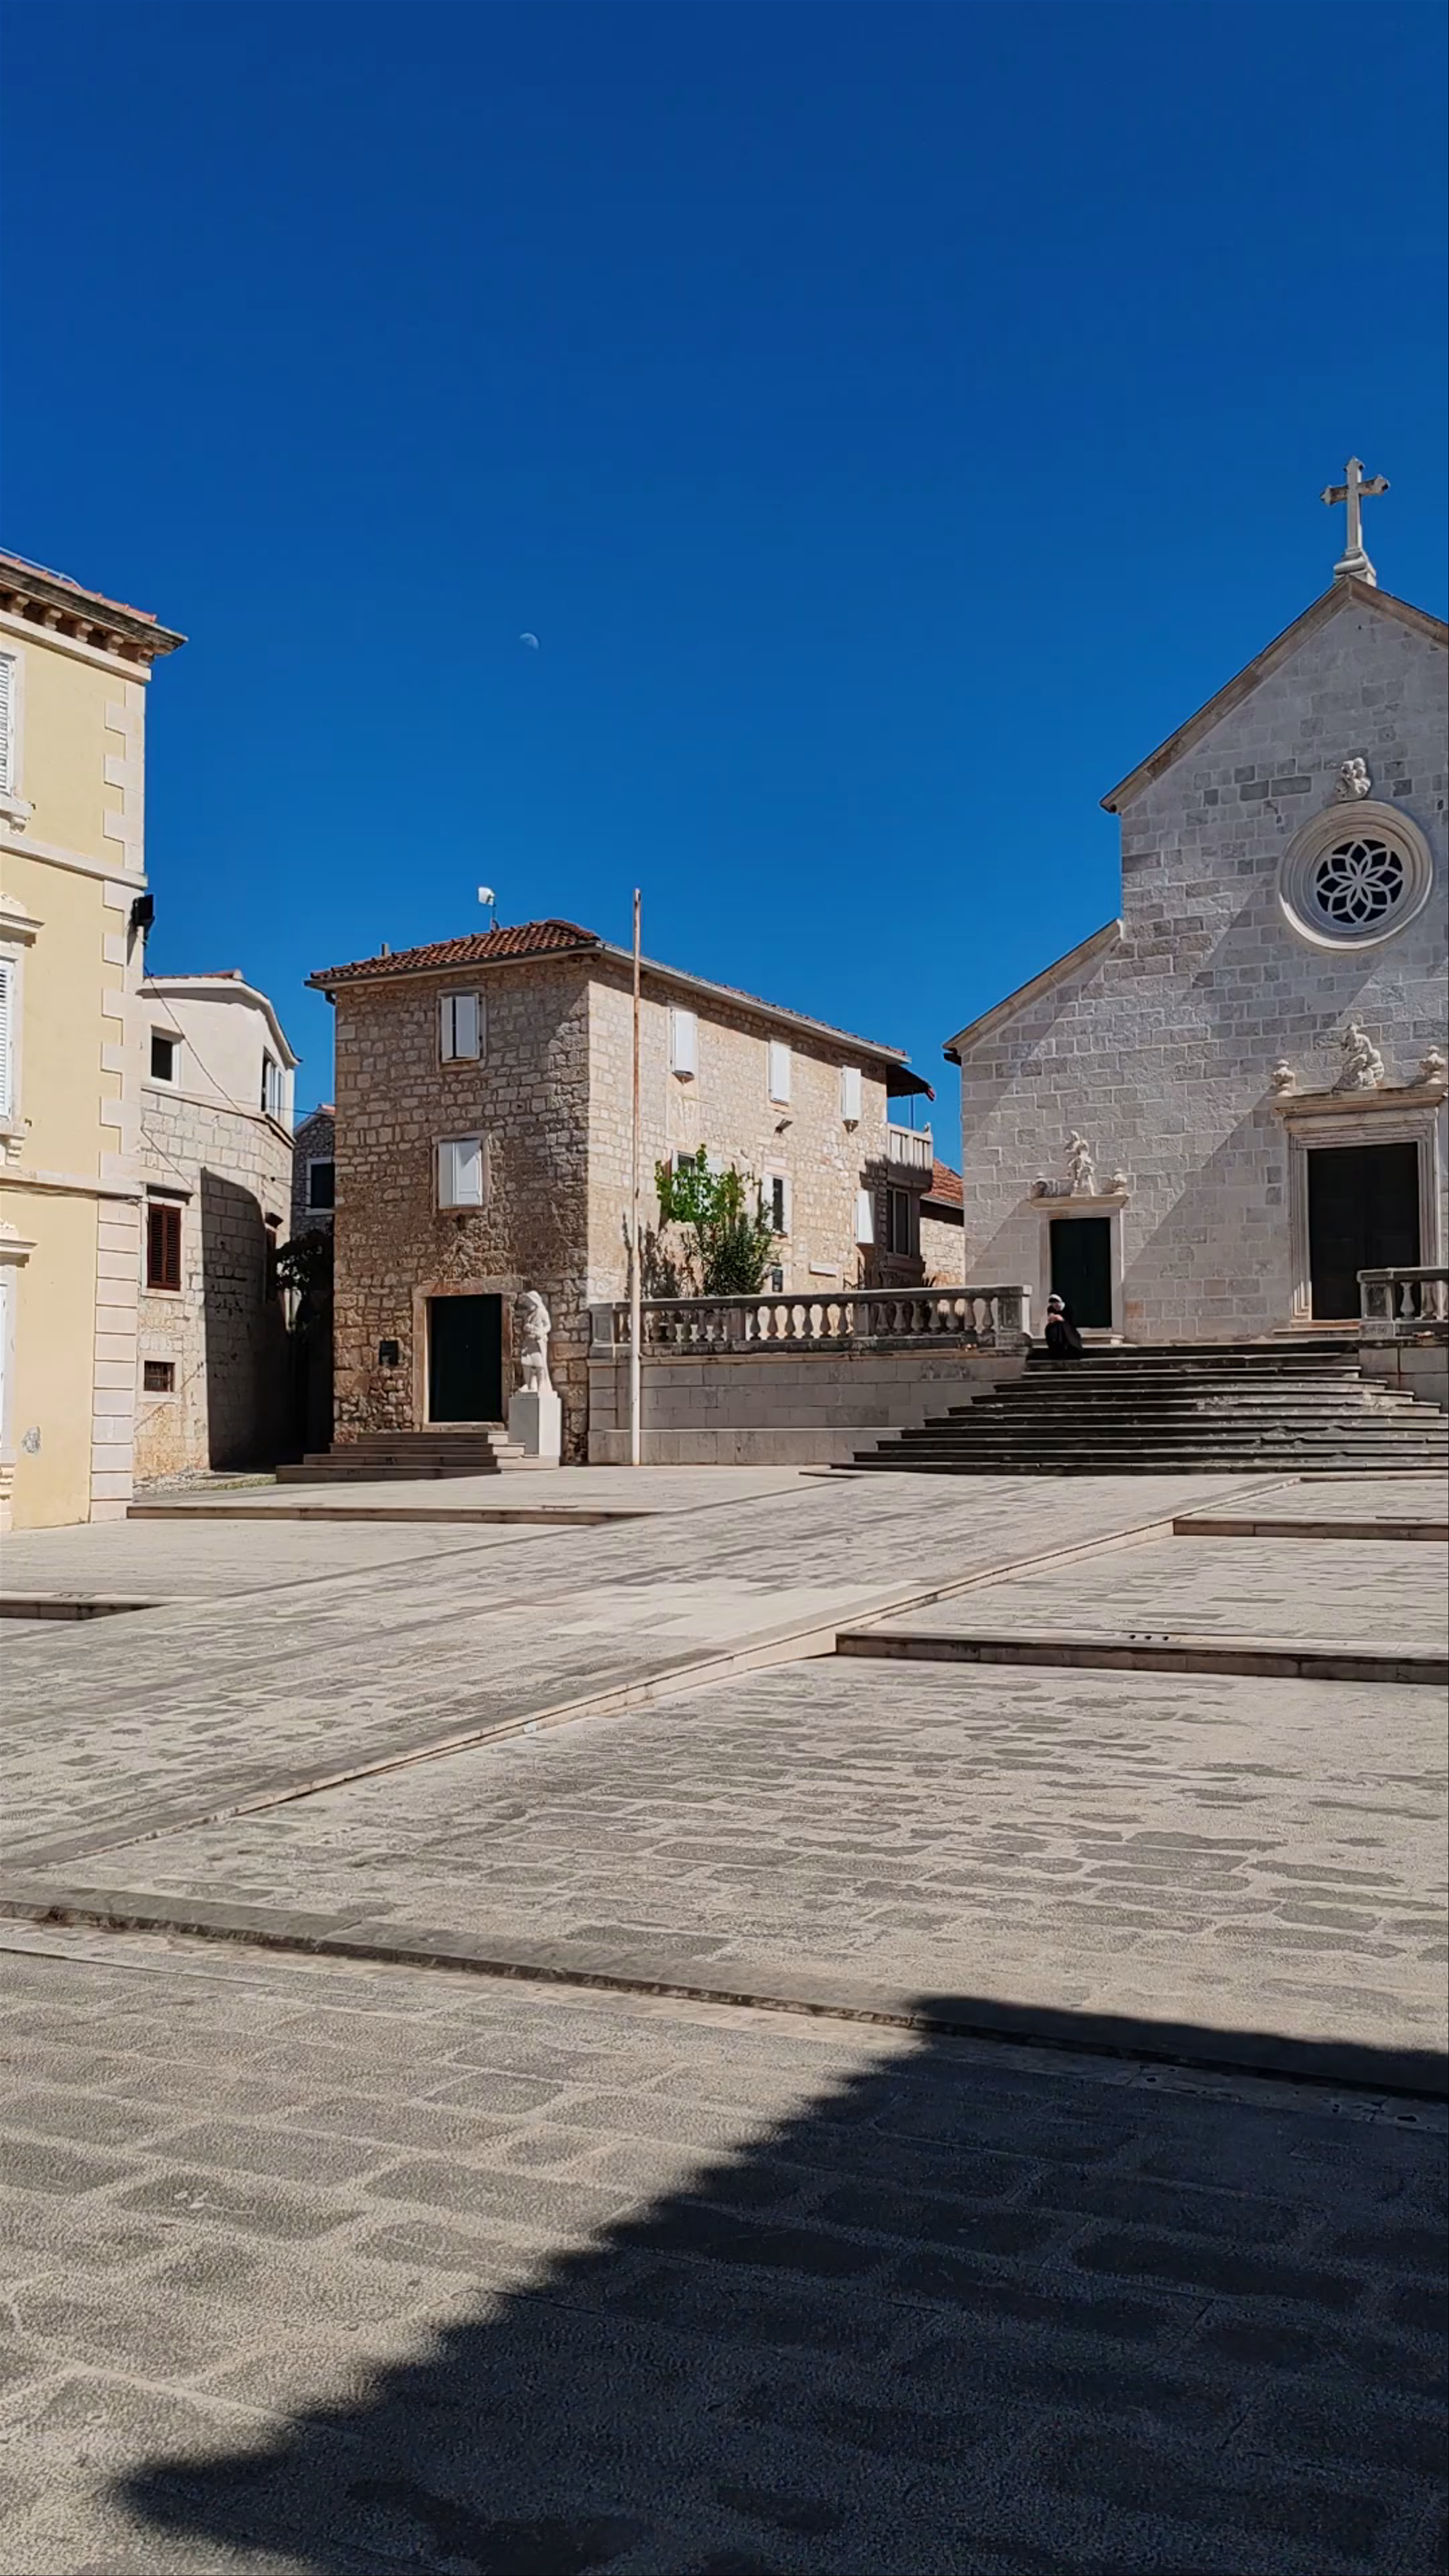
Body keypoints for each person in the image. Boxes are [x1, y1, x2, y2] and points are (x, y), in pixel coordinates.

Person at [1044, 1291, 1083, 1362]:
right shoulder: (1050, 1309)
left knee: (1062, 1327)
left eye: (1057, 1304)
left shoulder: (1068, 1308)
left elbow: (1070, 1322)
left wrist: (1060, 1319)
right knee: (1050, 1329)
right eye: (1054, 1305)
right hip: (1056, 1327)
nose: (1056, 1306)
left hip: (1068, 1328)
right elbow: (1051, 1318)